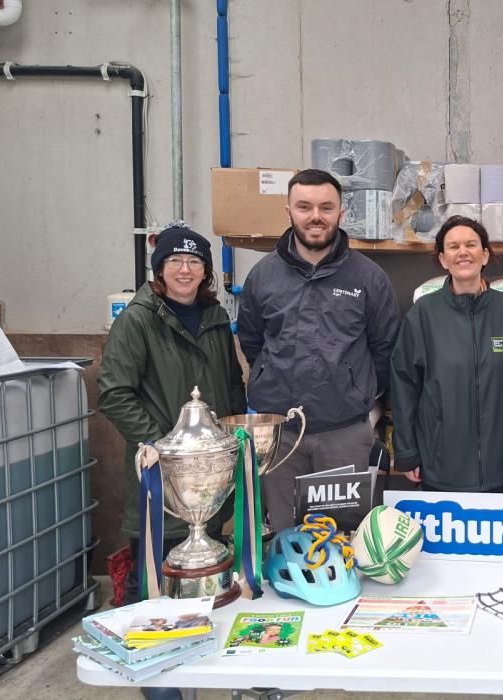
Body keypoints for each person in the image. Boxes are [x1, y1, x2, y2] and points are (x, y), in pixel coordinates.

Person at [98, 224, 245, 700]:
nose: (185, 269)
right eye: (175, 261)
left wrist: (232, 440)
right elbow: (114, 393)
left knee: (208, 589)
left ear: (206, 272)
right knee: (157, 599)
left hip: (210, 481)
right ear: (159, 268)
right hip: (163, 481)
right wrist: (162, 446)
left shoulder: (216, 317)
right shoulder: (139, 319)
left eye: (195, 262)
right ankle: (164, 689)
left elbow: (231, 384)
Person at [237, 169, 400, 533]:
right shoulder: (263, 276)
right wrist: (271, 380)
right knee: (285, 536)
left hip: (344, 435)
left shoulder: (369, 278)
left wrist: (355, 390)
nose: (316, 216)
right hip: (280, 436)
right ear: (288, 211)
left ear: (341, 213)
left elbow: (384, 346)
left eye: (326, 207)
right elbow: (252, 341)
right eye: (304, 206)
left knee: (342, 538)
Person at [390, 215, 503, 492]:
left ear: (485, 254)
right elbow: (404, 386)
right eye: (454, 246)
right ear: (443, 259)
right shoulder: (423, 315)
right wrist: (407, 451)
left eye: (471, 244)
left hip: (500, 466)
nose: (463, 252)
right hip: (441, 466)